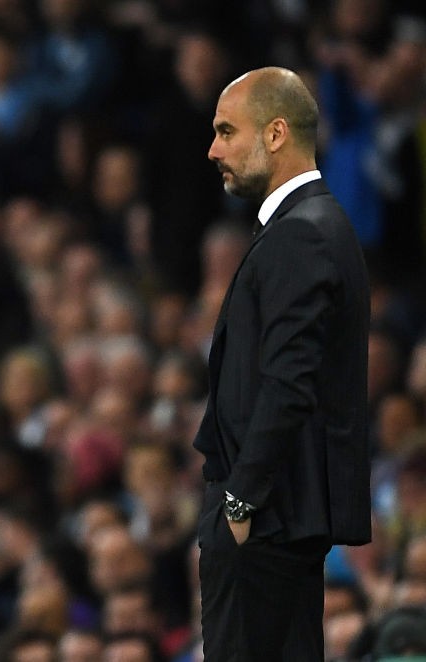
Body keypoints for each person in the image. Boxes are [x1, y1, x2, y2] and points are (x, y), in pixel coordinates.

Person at [193, 67, 371, 660]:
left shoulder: (303, 233)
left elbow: (290, 381)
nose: (213, 149)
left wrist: (240, 500)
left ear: (275, 134)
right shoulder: (314, 225)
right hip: (280, 518)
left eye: (226, 131)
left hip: (267, 520)